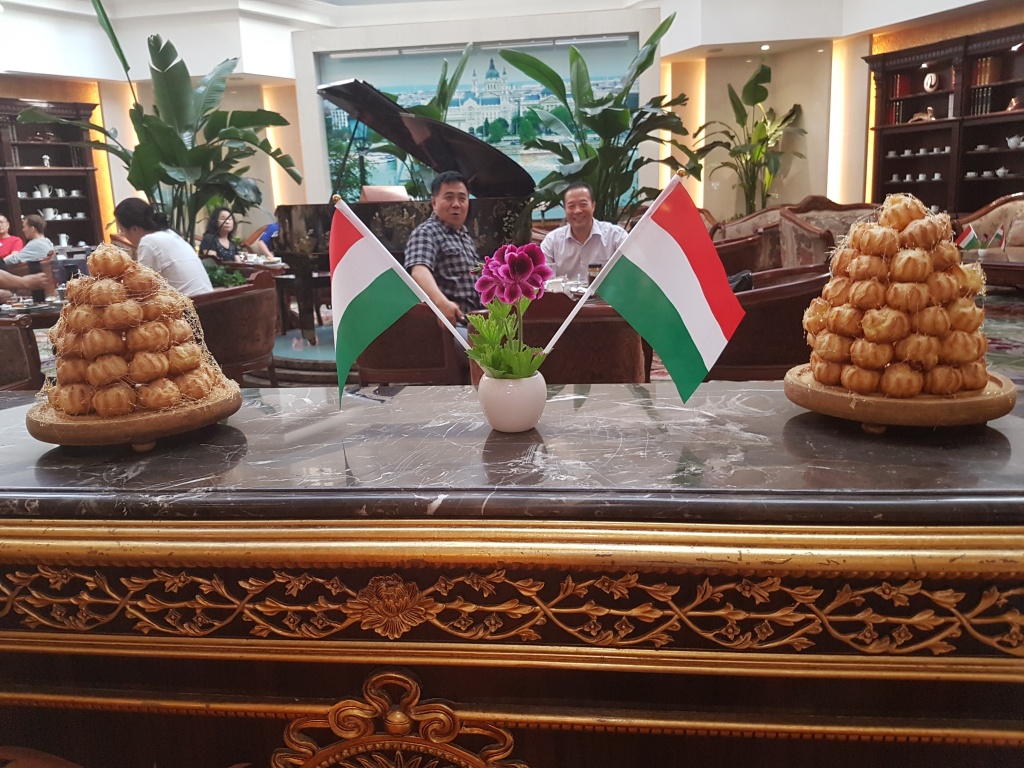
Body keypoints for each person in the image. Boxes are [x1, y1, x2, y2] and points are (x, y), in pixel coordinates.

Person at [404, 171, 482, 327]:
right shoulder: (426, 233)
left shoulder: (464, 236)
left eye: (462, 198)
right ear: (434, 203)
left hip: (476, 322)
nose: (456, 204)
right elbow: (419, 271)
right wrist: (441, 303)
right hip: (449, 325)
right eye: (449, 197)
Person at [113, 198, 213, 297]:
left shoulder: (148, 242)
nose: (122, 235)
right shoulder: (169, 234)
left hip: (193, 304)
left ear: (134, 229)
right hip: (210, 298)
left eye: (122, 230)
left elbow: (141, 289)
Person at [540, 183, 628, 280]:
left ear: (593, 206)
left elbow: (629, 273)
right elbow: (543, 280)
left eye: (583, 204)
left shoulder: (616, 237)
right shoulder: (552, 242)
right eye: (571, 206)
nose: (577, 211)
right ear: (565, 209)